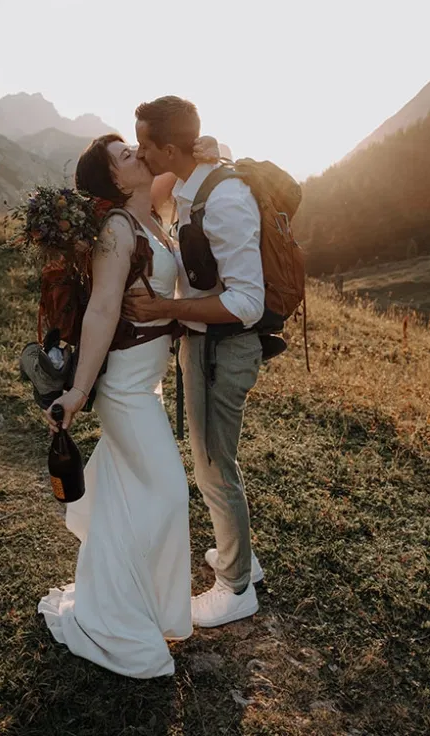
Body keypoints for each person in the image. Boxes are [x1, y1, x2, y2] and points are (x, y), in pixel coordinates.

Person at [37, 134, 192, 678]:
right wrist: (78, 393)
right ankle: (112, 618)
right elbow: (102, 311)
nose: (137, 155)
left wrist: (204, 151)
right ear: (115, 181)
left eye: (135, 147)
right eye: (125, 156)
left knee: (131, 499)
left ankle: (124, 603)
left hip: (148, 387)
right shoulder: (117, 229)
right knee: (170, 494)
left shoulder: (149, 215)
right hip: (125, 392)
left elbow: (184, 161)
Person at [124, 96, 265, 629]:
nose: (140, 152)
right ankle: (240, 556)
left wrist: (168, 308)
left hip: (223, 349)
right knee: (212, 462)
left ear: (167, 147)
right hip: (204, 345)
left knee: (213, 466)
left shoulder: (223, 198)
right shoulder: (192, 180)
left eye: (145, 144)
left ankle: (236, 587)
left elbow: (248, 301)